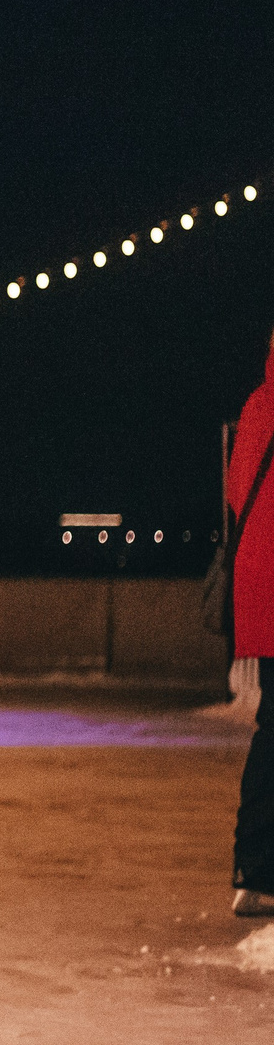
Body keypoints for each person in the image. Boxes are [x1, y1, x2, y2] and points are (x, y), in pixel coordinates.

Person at [228, 329, 274, 918]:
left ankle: (255, 872)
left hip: (260, 584)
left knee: (273, 726)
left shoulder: (259, 404)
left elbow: (238, 491)